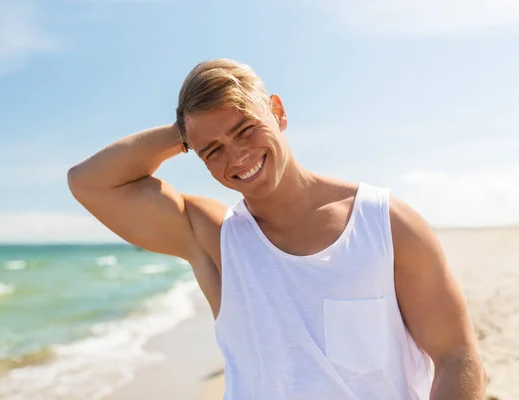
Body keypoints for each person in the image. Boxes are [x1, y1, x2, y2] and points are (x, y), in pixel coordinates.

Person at [67, 59, 486, 399]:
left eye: (245, 129)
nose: (237, 157)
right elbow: (89, 182)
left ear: (279, 112)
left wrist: (202, 131)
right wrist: (185, 133)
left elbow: (456, 356)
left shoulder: (385, 222)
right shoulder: (215, 237)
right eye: (212, 150)